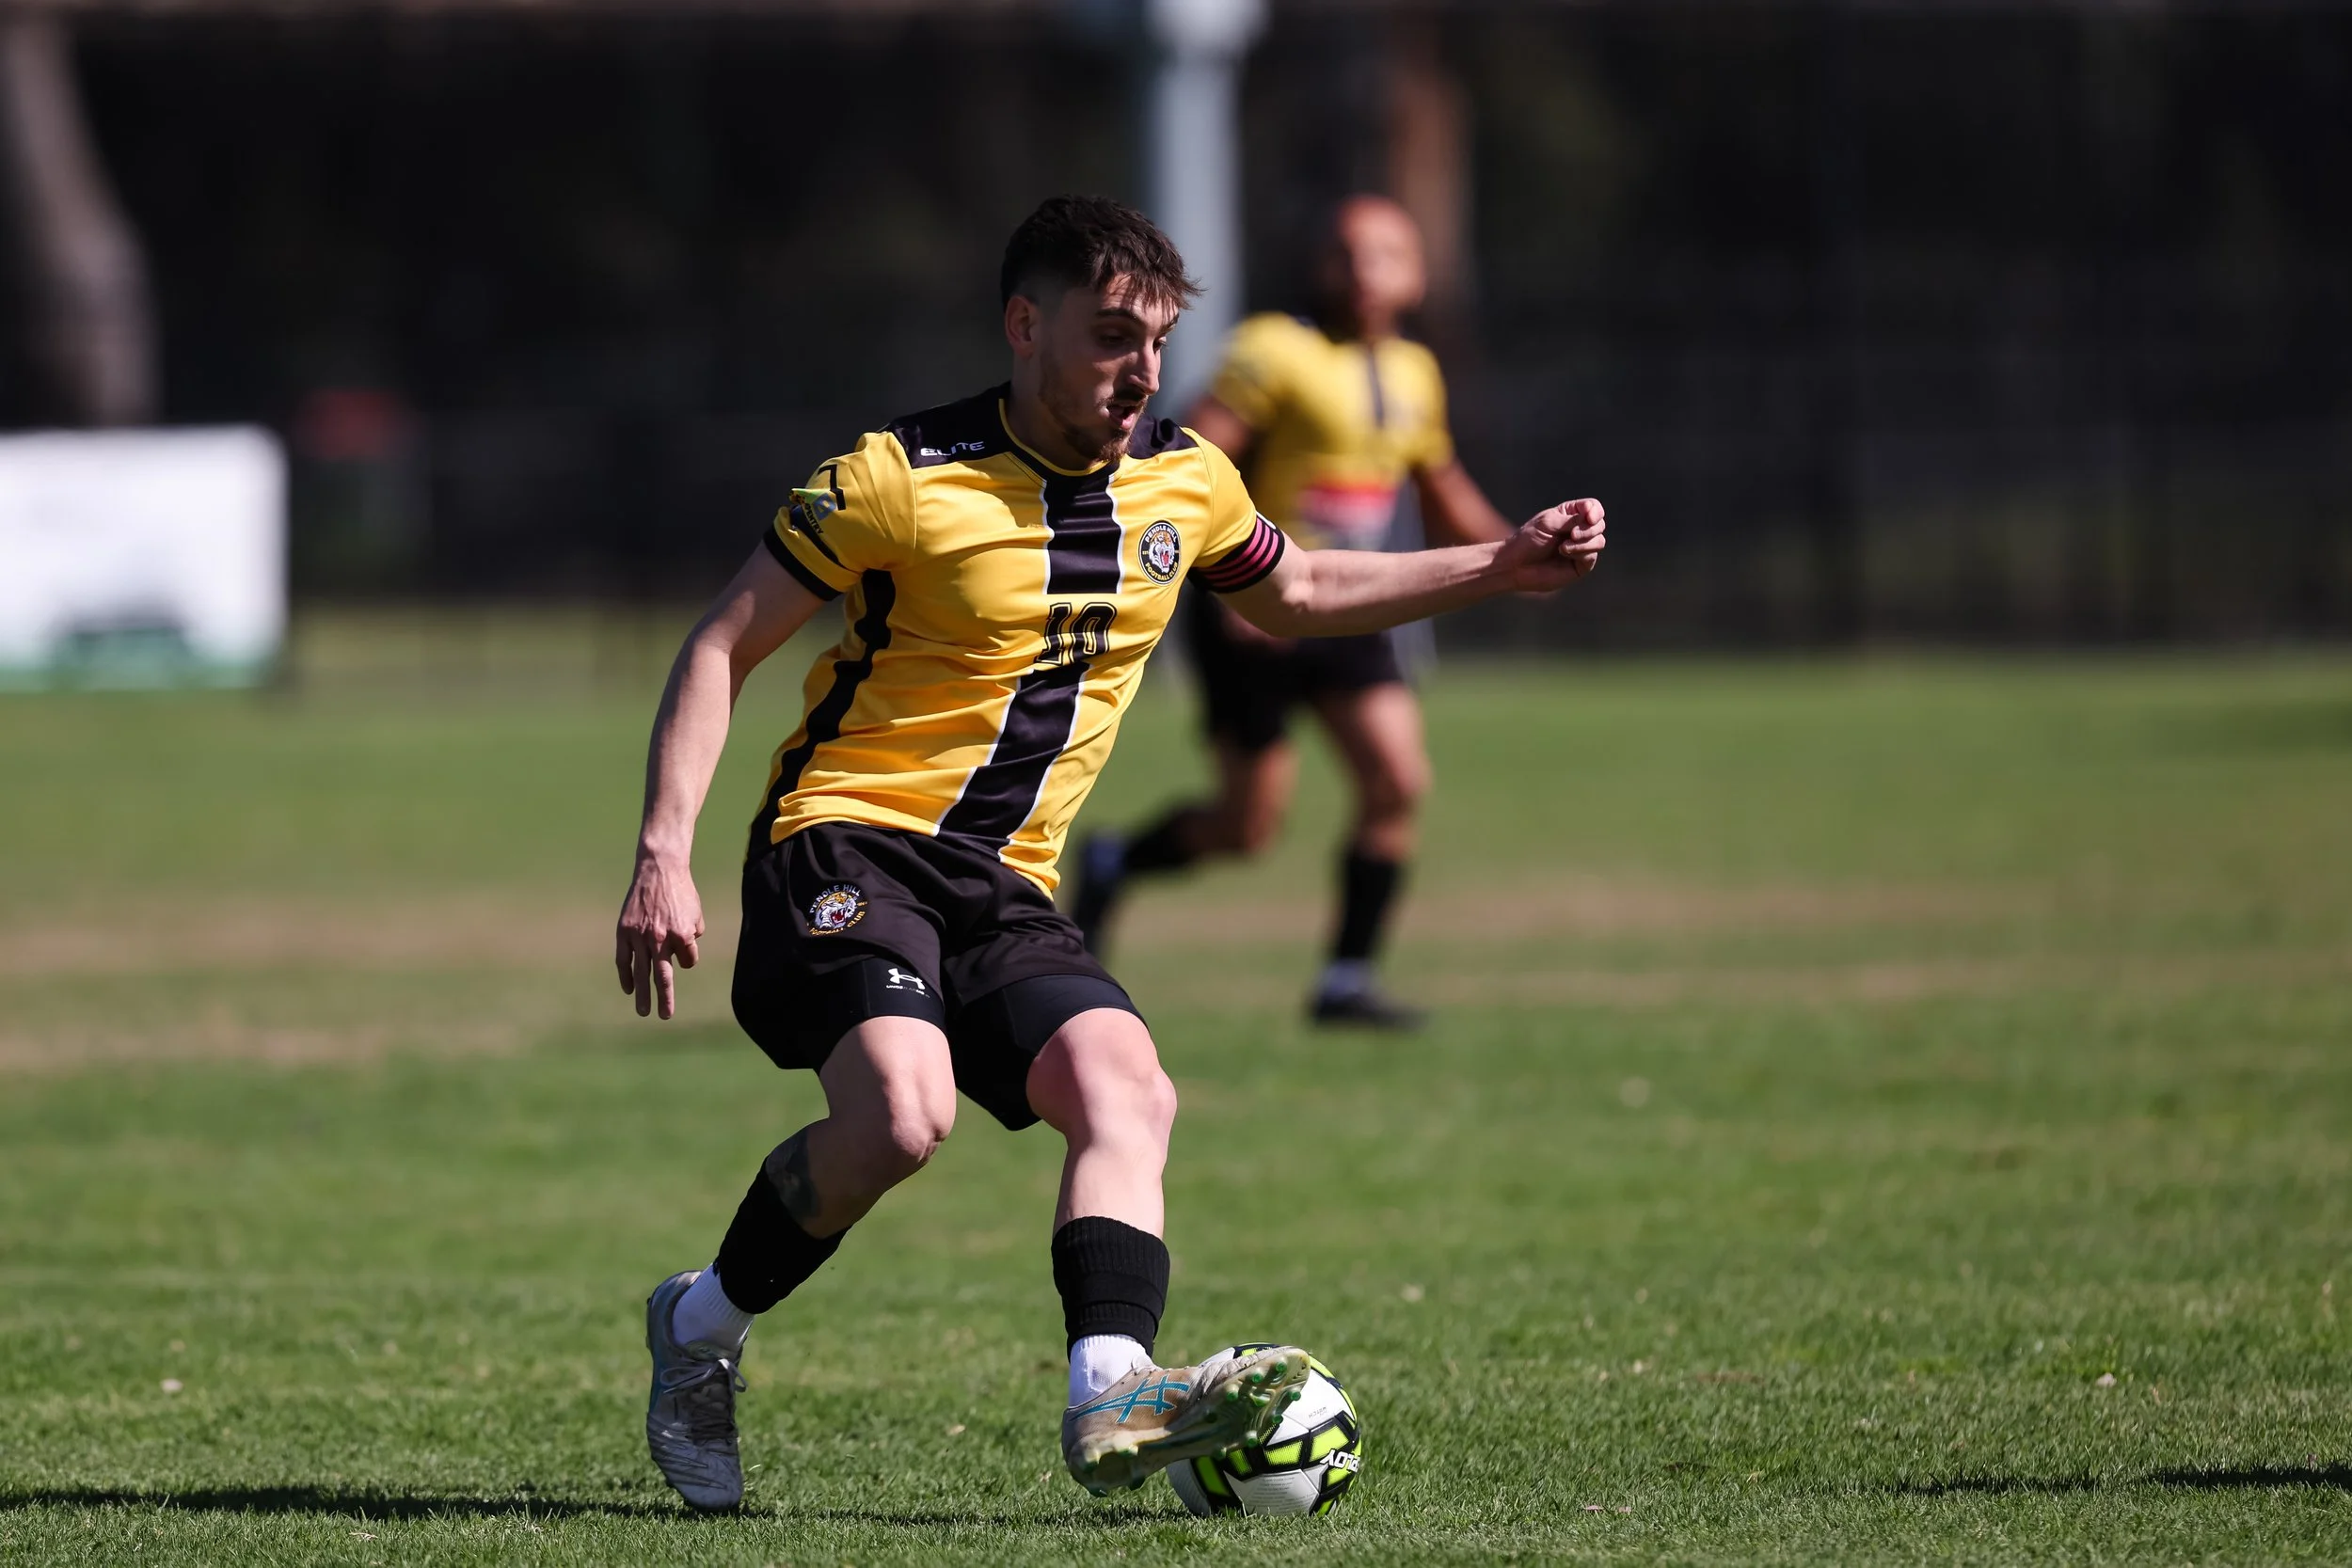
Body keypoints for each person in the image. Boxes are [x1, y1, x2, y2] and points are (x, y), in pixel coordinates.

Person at [612, 195, 1606, 1513]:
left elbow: (1297, 591)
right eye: (1110, 338)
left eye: (1157, 342)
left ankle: (1110, 1392)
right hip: (847, 837)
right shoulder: (899, 476)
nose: (1142, 372)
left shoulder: (1184, 480)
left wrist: (1500, 565)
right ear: (1025, 327)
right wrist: (661, 852)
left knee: (1127, 1087)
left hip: (1005, 880)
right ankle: (699, 1327)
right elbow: (721, 644)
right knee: (902, 1117)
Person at [1070, 196, 1523, 1028]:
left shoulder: (1416, 373)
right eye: (1346, 252)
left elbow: (1440, 485)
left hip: (1350, 606)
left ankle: (1345, 979)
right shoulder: (1274, 350)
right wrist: (1237, 580)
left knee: (1397, 779)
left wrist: (1522, 551)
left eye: (1385, 252)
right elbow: (1196, 457)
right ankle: (1113, 860)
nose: (1363, 269)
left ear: (1418, 275)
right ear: (1321, 267)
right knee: (1248, 827)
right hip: (1259, 607)